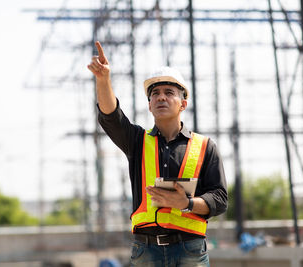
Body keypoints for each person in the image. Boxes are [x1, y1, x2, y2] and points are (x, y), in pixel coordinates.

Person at [87, 41, 227, 267]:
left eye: (169, 92)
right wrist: (103, 80)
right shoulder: (137, 142)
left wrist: (186, 203)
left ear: (183, 104)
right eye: (155, 94)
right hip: (145, 250)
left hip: (190, 249)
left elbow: (219, 199)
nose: (161, 97)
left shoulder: (205, 146)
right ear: (150, 105)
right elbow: (112, 116)